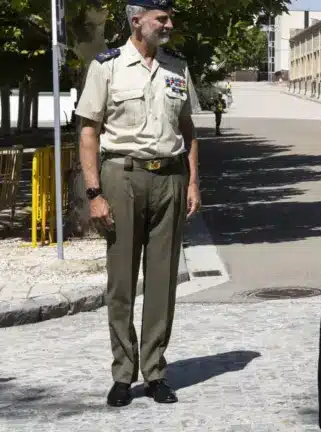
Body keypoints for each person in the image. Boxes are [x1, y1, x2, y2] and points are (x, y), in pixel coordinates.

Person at [75, 0, 201, 407]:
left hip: (170, 178)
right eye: (161, 18)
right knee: (122, 281)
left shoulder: (177, 68)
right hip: (122, 177)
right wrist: (94, 193)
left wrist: (193, 182)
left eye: (169, 17)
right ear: (136, 21)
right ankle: (122, 373)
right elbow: (89, 132)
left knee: (162, 281)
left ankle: (155, 371)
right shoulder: (107, 66)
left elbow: (188, 129)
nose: (169, 24)